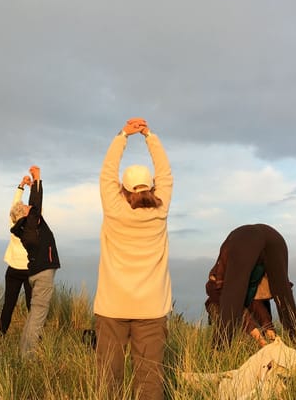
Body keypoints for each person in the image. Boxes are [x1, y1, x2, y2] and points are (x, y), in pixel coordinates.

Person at [94, 118, 173, 400]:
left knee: (108, 380)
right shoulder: (159, 211)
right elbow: (166, 173)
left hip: (112, 306)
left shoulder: (114, 208)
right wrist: (149, 135)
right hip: (151, 309)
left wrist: (123, 135)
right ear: (150, 187)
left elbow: (106, 173)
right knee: (150, 382)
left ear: (122, 189)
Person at [210, 224, 296, 349]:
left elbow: (232, 301)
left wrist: (256, 334)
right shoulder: (251, 284)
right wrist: (267, 327)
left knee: (231, 298)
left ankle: (218, 352)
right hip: (275, 237)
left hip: (244, 240)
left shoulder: (215, 284)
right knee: (283, 295)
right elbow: (255, 303)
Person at [9, 165, 60, 357]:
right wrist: (37, 179)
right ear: (24, 215)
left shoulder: (25, 227)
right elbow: (36, 204)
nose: (29, 207)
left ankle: (23, 351)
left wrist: (31, 186)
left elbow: (34, 206)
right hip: (43, 272)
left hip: (36, 272)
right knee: (38, 316)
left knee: (34, 315)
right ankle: (27, 357)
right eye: (26, 208)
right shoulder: (30, 224)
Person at [0, 175, 34, 335]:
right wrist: (33, 188)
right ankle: (34, 337)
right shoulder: (31, 228)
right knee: (32, 306)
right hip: (28, 270)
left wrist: (21, 186)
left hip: (13, 269)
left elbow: (15, 205)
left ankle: (1, 333)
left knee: (9, 304)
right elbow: (37, 208)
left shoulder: (13, 224)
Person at [206, 267, 276, 348]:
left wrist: (269, 328)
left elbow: (256, 305)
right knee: (236, 339)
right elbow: (237, 308)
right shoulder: (221, 276)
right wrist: (260, 339)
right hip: (220, 305)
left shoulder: (251, 282)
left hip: (241, 297)